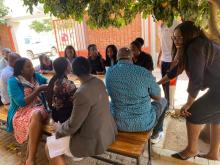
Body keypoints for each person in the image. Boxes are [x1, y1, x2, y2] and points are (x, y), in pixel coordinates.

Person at [158, 21, 220, 160]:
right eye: (174, 37)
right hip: (217, 87)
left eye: (180, 37)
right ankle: (214, 154)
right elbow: (176, 71)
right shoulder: (197, 45)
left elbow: (196, 80)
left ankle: (191, 149)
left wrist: (188, 103)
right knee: (216, 118)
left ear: (189, 35)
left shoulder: (195, 47)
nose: (176, 41)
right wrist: (158, 83)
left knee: (192, 113)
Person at [45, 57, 117, 165]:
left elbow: (73, 125)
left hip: (94, 139)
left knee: (49, 147)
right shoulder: (98, 82)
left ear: (74, 72)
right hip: (108, 132)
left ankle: (75, 153)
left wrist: (59, 130)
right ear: (89, 68)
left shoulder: (81, 93)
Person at [105, 48, 167, 144]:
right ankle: (156, 134)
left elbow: (109, 93)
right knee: (163, 101)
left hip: (117, 122)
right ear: (132, 58)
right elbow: (157, 97)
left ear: (117, 58)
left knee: (108, 104)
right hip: (143, 123)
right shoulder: (143, 72)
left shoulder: (109, 72)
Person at [7, 58, 48, 165]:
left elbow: (47, 82)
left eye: (32, 65)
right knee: (36, 116)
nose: (32, 68)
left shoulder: (35, 76)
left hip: (38, 108)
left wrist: (49, 84)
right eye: (28, 66)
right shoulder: (13, 81)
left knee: (37, 114)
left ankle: (30, 159)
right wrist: (38, 90)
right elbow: (21, 102)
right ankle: (30, 159)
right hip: (21, 112)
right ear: (21, 70)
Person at [47, 57, 77, 123]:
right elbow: (78, 96)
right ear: (66, 67)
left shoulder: (54, 80)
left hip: (55, 114)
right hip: (65, 115)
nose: (71, 64)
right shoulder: (67, 83)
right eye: (69, 63)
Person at [157, 21, 179, 108]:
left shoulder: (176, 24)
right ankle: (168, 104)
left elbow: (179, 45)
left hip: (173, 60)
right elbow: (162, 44)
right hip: (164, 60)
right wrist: (159, 57)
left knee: (171, 84)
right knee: (164, 85)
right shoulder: (160, 26)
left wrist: (175, 61)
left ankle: (170, 106)